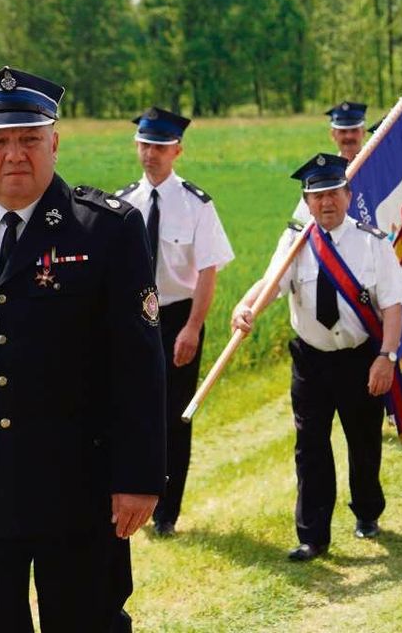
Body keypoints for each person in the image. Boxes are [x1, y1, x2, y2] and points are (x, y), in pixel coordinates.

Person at [0, 66, 166, 632]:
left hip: (80, 484)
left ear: (54, 143)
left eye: (28, 139)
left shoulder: (106, 230)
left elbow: (138, 366)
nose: (13, 154)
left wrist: (139, 476)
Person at [232, 153, 402, 561]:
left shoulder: (372, 242)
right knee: (310, 445)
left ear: (348, 195)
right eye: (317, 197)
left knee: (363, 442)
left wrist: (387, 355)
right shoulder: (296, 242)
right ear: (307, 202)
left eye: (333, 193)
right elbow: (270, 285)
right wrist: (244, 307)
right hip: (311, 361)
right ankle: (313, 535)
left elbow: (394, 306)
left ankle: (367, 512)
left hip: (360, 359)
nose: (326, 203)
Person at [117, 107, 234, 537]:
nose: (151, 154)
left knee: (174, 416)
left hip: (177, 318)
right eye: (145, 145)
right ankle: (127, 496)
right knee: (128, 410)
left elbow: (207, 271)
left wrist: (193, 328)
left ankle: (167, 511)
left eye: (161, 147)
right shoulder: (123, 202)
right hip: (132, 318)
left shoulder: (196, 205)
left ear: (177, 150)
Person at [292, 102, 367, 224]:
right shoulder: (323, 172)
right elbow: (304, 222)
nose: (349, 136)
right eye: (342, 131)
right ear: (333, 135)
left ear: (363, 132)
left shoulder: (377, 170)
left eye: (354, 130)